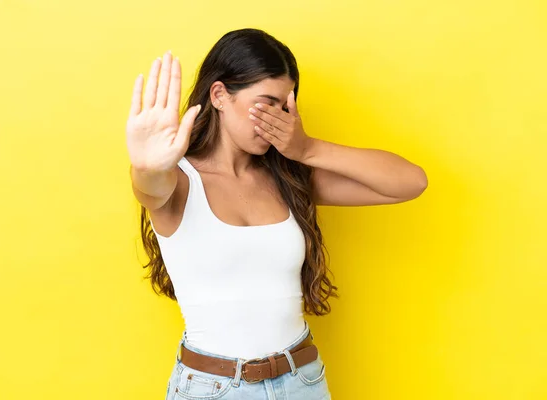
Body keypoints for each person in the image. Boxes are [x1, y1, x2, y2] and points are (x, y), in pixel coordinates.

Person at [126, 28, 427, 400]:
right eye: (266, 102)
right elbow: (150, 188)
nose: (279, 118)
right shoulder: (178, 181)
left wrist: (309, 148)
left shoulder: (286, 179)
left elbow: (410, 183)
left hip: (303, 382)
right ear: (219, 95)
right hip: (213, 389)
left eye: (286, 106)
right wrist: (146, 166)